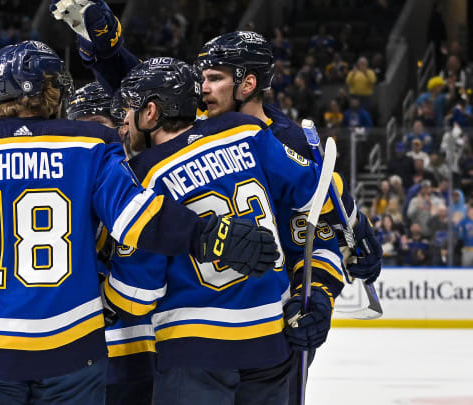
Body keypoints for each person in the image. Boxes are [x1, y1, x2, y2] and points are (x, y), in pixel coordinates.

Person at [0, 40, 278, 405]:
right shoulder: (89, 142)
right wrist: (209, 234)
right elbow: (136, 219)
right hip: (75, 351)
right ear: (48, 91)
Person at [103, 58, 344, 404]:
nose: (123, 121)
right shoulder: (243, 130)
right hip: (270, 338)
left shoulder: (141, 176)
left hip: (195, 353)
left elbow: (138, 295)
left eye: (129, 109)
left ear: (151, 113)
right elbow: (313, 191)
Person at [66, 81, 154, 405]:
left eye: (99, 127)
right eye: (82, 127)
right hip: (74, 350)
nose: (90, 138)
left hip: (137, 345)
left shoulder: (141, 181)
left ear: (121, 128)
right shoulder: (62, 186)